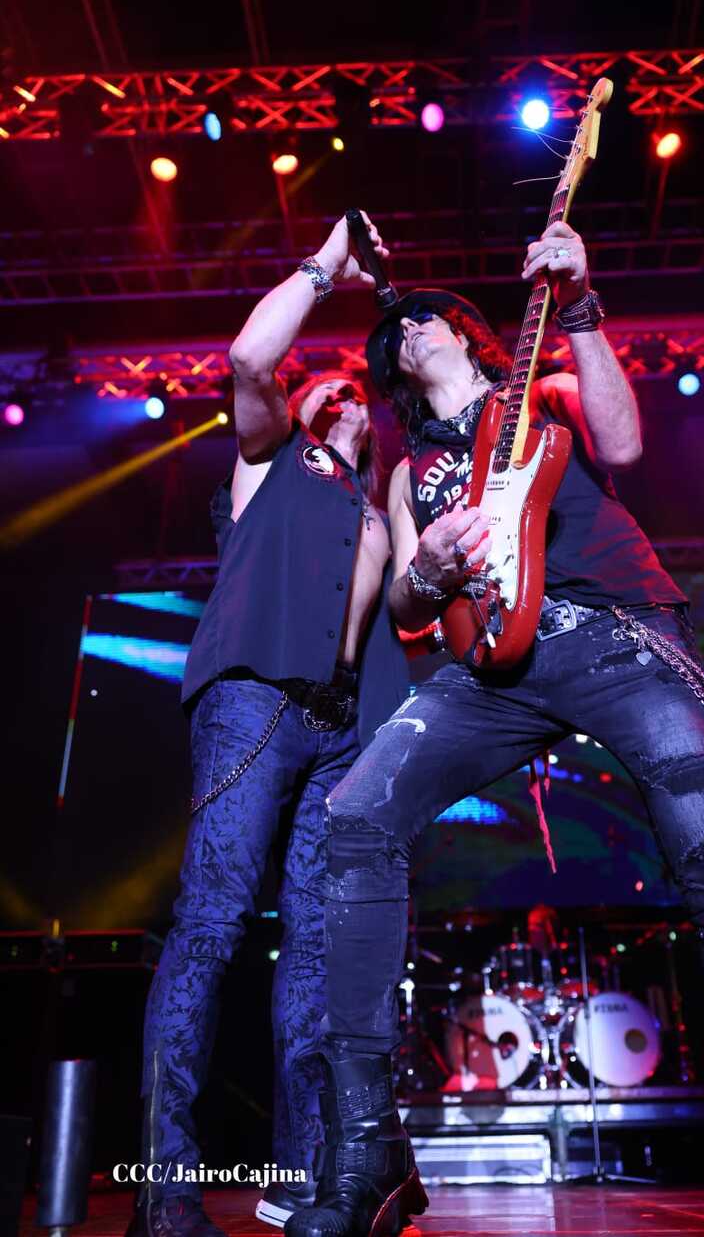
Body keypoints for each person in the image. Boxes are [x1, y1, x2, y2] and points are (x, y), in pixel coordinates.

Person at [286, 222, 704, 1237]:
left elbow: (622, 445)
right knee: (353, 814)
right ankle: (366, 1157)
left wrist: (579, 308)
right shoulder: (407, 473)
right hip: (491, 668)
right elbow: (403, 606)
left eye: (424, 317)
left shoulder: (545, 393)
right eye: (393, 331)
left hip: (620, 636)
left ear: (467, 331)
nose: (407, 330)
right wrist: (428, 569)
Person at [125, 215, 408, 1237]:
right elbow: (250, 356)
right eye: (328, 387)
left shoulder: (378, 506)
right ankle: (164, 1189)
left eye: (359, 393)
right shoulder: (271, 459)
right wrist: (327, 265)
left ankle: (304, 1179)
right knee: (211, 923)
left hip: (341, 732)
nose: (347, 398)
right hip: (255, 701)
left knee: (316, 955)